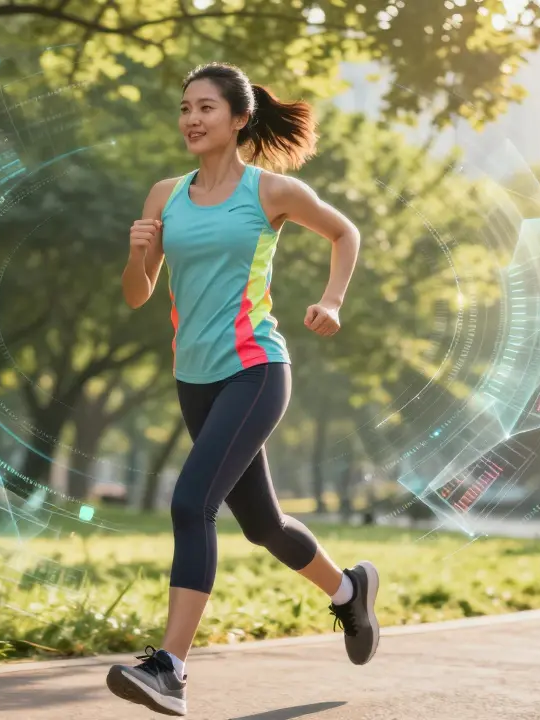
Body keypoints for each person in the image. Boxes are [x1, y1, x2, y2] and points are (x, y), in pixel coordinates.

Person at [108, 61, 380, 717]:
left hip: (255, 369)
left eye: (206, 107)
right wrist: (139, 251)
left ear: (238, 118)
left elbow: (344, 232)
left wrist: (332, 301)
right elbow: (137, 295)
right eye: (185, 108)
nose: (192, 119)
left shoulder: (270, 191)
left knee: (191, 503)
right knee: (262, 525)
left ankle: (170, 669)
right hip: (194, 379)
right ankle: (349, 591)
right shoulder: (164, 196)